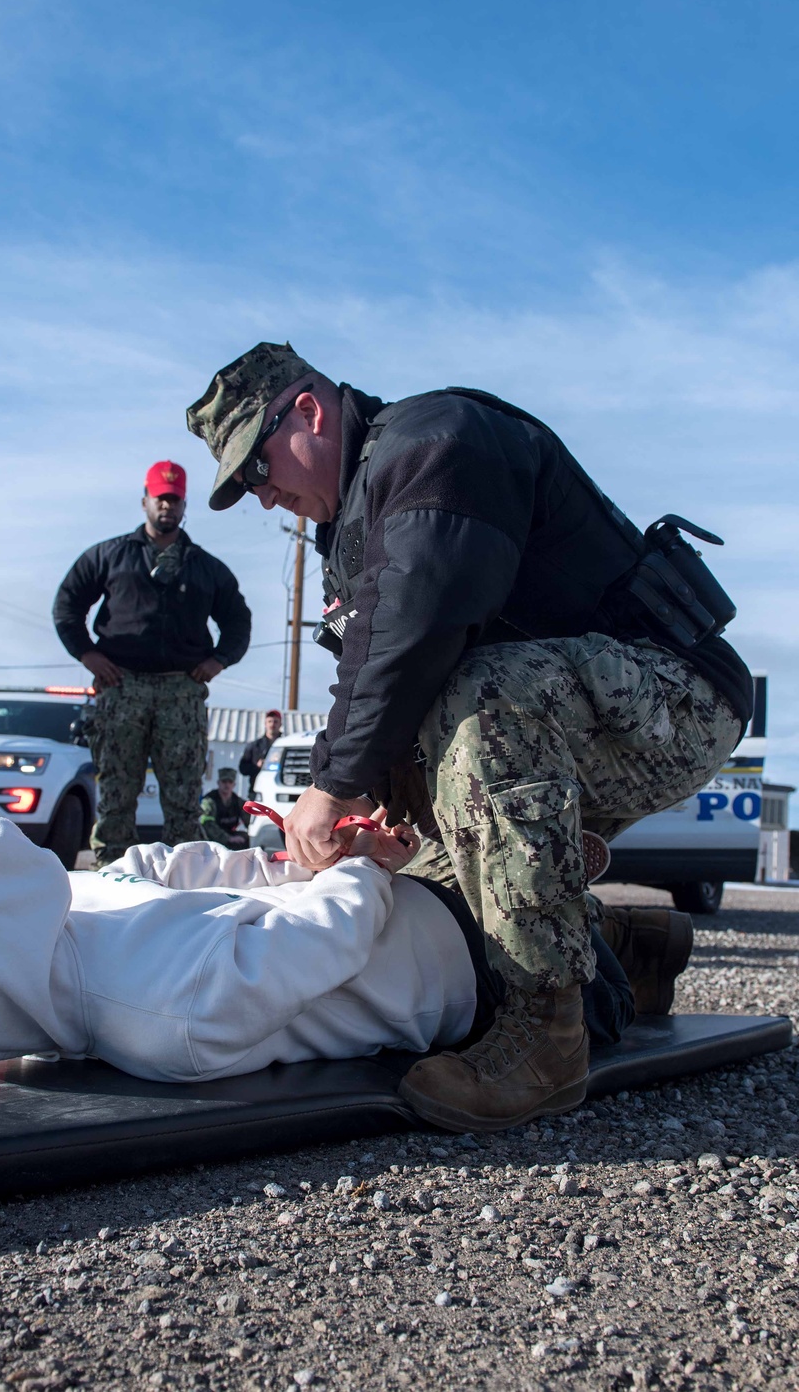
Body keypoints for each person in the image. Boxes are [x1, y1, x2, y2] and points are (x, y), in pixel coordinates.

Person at [185, 341, 752, 1133]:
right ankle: (630, 948)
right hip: (566, 717)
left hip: (671, 697)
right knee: (420, 881)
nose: (263, 496)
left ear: (307, 410)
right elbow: (369, 680)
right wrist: (377, 808)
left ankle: (547, 1039)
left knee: (480, 694)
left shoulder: (436, 442)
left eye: (257, 466)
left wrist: (332, 785)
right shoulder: (350, 526)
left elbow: (421, 622)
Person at [0, 816, 663, 1087]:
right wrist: (359, 872)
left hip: (441, 922)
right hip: (477, 969)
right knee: (591, 979)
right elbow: (323, 937)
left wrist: (308, 861)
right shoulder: (164, 1020)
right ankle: (608, 940)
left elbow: (150, 867)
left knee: (555, 915)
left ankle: (599, 929)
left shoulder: (99, 945)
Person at [53, 461, 251, 866]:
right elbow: (67, 605)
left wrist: (218, 661)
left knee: (183, 797)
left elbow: (238, 620)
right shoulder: (110, 556)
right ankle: (113, 872)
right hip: (121, 686)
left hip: (181, 690)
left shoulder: (204, 567)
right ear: (145, 501)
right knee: (117, 792)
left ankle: (184, 879)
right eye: (160, 498)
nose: (167, 506)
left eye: (174, 500)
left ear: (184, 506)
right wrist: (89, 655)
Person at [199, 767, 250, 849]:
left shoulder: (238, 802)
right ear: (218, 783)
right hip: (212, 838)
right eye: (224, 782)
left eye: (230, 782)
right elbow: (207, 824)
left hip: (230, 833)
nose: (227, 785)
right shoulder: (209, 801)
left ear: (234, 785)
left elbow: (249, 822)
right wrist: (228, 838)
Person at [239, 709, 283, 795]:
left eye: (275, 721)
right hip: (258, 791)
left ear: (280, 724)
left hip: (279, 791)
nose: (272, 724)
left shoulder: (285, 744)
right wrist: (257, 766)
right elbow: (242, 769)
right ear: (265, 724)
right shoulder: (254, 746)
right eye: (270, 721)